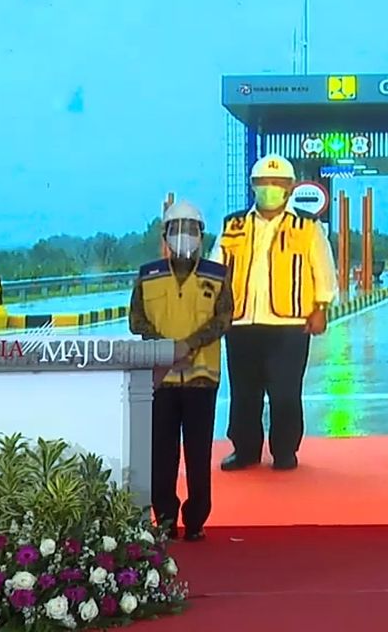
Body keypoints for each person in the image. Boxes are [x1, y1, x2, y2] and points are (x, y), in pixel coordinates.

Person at [213, 154, 338, 472]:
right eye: (263, 183)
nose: (270, 188)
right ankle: (245, 450)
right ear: (253, 186)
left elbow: (322, 268)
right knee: (244, 392)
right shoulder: (234, 224)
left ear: (290, 187)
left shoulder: (307, 226)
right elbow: (215, 269)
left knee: (284, 392)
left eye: (278, 183)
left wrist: (320, 307)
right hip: (241, 321)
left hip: (289, 323)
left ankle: (285, 451)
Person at [129, 199, 233, 542]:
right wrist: (166, 348)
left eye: (191, 229)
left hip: (202, 378)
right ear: (165, 235)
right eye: (177, 229)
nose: (184, 236)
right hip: (160, 381)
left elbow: (224, 318)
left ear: (202, 235)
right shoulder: (148, 276)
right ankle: (167, 518)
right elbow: (136, 320)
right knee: (162, 454)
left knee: (199, 454)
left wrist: (188, 345)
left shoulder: (217, 276)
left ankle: (197, 519)